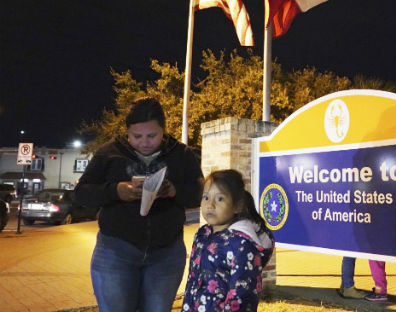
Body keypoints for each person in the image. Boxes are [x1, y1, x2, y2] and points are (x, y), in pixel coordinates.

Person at [75, 96, 204, 312]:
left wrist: (174, 190)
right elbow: (81, 194)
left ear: (164, 130)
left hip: (166, 253)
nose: (144, 142)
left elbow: (199, 193)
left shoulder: (181, 154)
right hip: (115, 251)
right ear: (127, 132)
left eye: (152, 135)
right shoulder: (109, 153)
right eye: (137, 136)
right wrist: (115, 191)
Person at [181, 169, 275, 312]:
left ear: (237, 206)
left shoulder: (241, 244)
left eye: (220, 199)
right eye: (206, 197)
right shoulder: (202, 234)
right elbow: (193, 281)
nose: (210, 205)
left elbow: (243, 295)